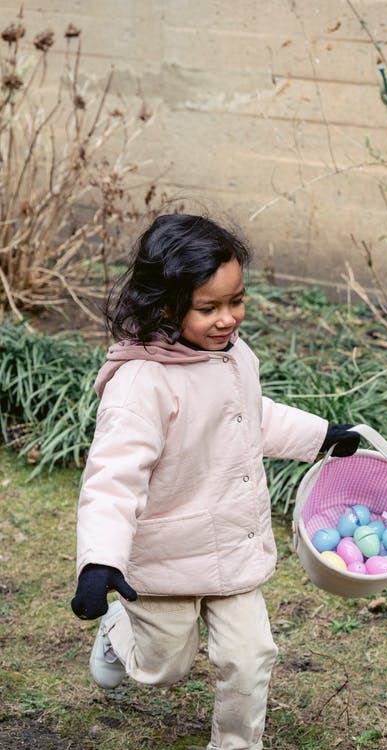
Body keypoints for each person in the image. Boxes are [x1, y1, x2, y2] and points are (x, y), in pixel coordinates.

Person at [70, 213, 360, 750]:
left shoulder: (233, 358)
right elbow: (113, 479)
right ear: (164, 305)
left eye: (236, 301)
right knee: (163, 668)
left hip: (232, 542)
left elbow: (253, 417)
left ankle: (236, 744)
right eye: (208, 308)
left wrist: (321, 436)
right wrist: (101, 562)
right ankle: (116, 630)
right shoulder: (141, 386)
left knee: (251, 658)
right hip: (164, 559)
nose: (228, 319)